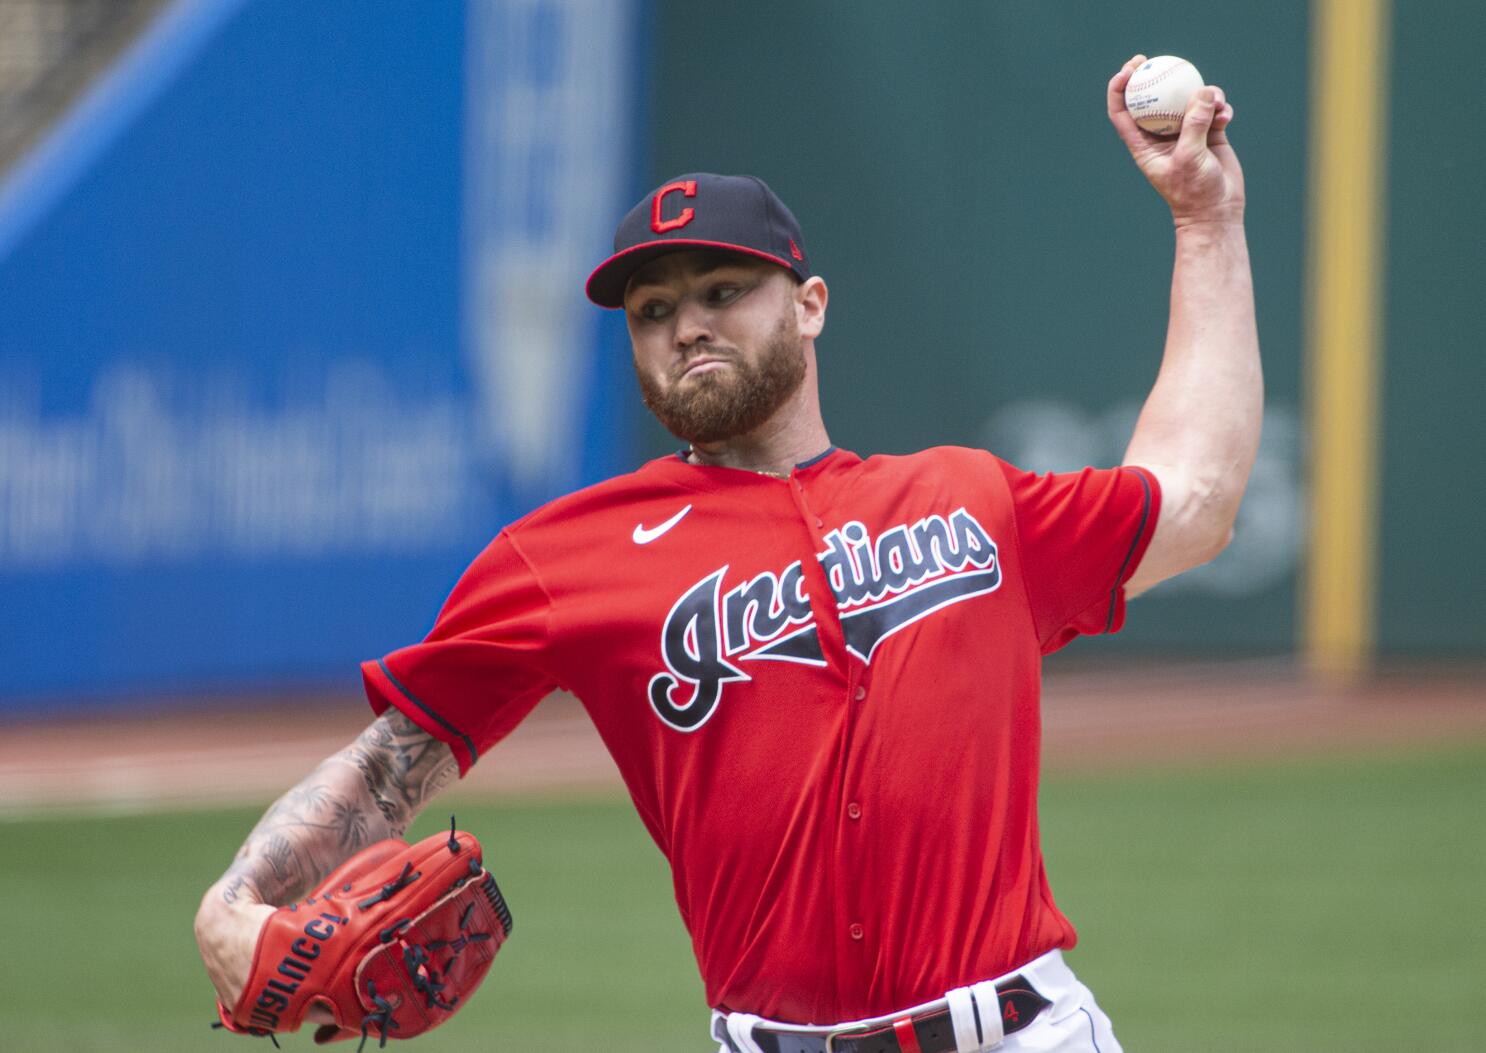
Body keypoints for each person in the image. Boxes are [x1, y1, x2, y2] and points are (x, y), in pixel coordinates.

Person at [196, 54, 1258, 1052]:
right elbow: (391, 766)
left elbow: (1195, 500)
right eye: (653, 310)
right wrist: (236, 900)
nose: (685, 326)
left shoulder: (967, 498)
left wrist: (1206, 216)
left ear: (809, 306)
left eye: (721, 292)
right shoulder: (562, 557)